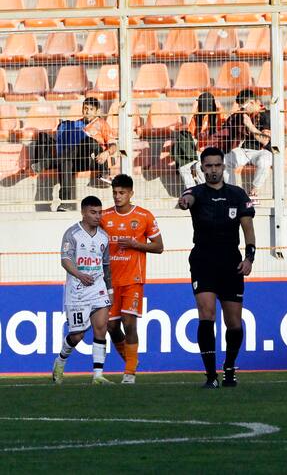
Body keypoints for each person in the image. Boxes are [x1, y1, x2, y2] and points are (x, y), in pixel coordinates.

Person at [178, 146, 256, 388]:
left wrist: (249, 258)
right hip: (203, 262)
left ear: (224, 166)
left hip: (231, 263)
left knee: (233, 322)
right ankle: (211, 375)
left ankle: (230, 369)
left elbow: (248, 229)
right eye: (208, 166)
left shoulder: (237, 195)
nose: (213, 170)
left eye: (217, 165)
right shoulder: (197, 192)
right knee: (207, 314)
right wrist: (184, 201)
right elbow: (187, 198)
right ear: (202, 168)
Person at [100, 174, 164, 384]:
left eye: (122, 193)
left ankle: (129, 374)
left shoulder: (144, 216)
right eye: (115, 193)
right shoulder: (104, 217)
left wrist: (136, 244)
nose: (117, 197)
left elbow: (158, 247)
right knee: (110, 327)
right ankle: (131, 360)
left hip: (133, 280)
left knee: (129, 324)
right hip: (108, 282)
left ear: (131, 194)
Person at [52, 195, 114, 385]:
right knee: (77, 335)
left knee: (101, 328)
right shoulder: (72, 234)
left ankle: (97, 375)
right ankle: (60, 361)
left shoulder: (104, 236)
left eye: (100, 212)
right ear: (83, 212)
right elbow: (65, 260)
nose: (97, 216)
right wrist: (79, 275)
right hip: (77, 291)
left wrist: (109, 289)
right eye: (93, 212)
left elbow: (105, 265)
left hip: (98, 288)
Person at [56, 98, 117, 212]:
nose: (87, 111)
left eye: (91, 109)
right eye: (85, 109)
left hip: (95, 160)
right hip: (78, 159)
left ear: (97, 111)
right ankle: (66, 203)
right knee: (65, 163)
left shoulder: (102, 124)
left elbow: (114, 146)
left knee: (90, 141)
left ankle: (103, 173)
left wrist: (106, 153)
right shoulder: (76, 125)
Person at [223, 89, 272, 198]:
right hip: (244, 151)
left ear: (252, 103)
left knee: (265, 161)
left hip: (262, 151)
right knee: (223, 160)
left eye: (243, 107)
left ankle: (254, 190)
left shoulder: (266, 114)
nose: (242, 109)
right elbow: (226, 131)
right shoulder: (241, 115)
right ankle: (232, 192)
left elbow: (265, 141)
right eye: (240, 107)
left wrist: (250, 125)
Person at [172, 92, 222, 189]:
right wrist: (193, 110)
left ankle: (206, 192)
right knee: (183, 168)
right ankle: (193, 192)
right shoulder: (197, 117)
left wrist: (219, 108)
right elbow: (187, 132)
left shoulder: (218, 115)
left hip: (213, 152)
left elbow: (224, 129)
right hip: (199, 152)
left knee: (199, 166)